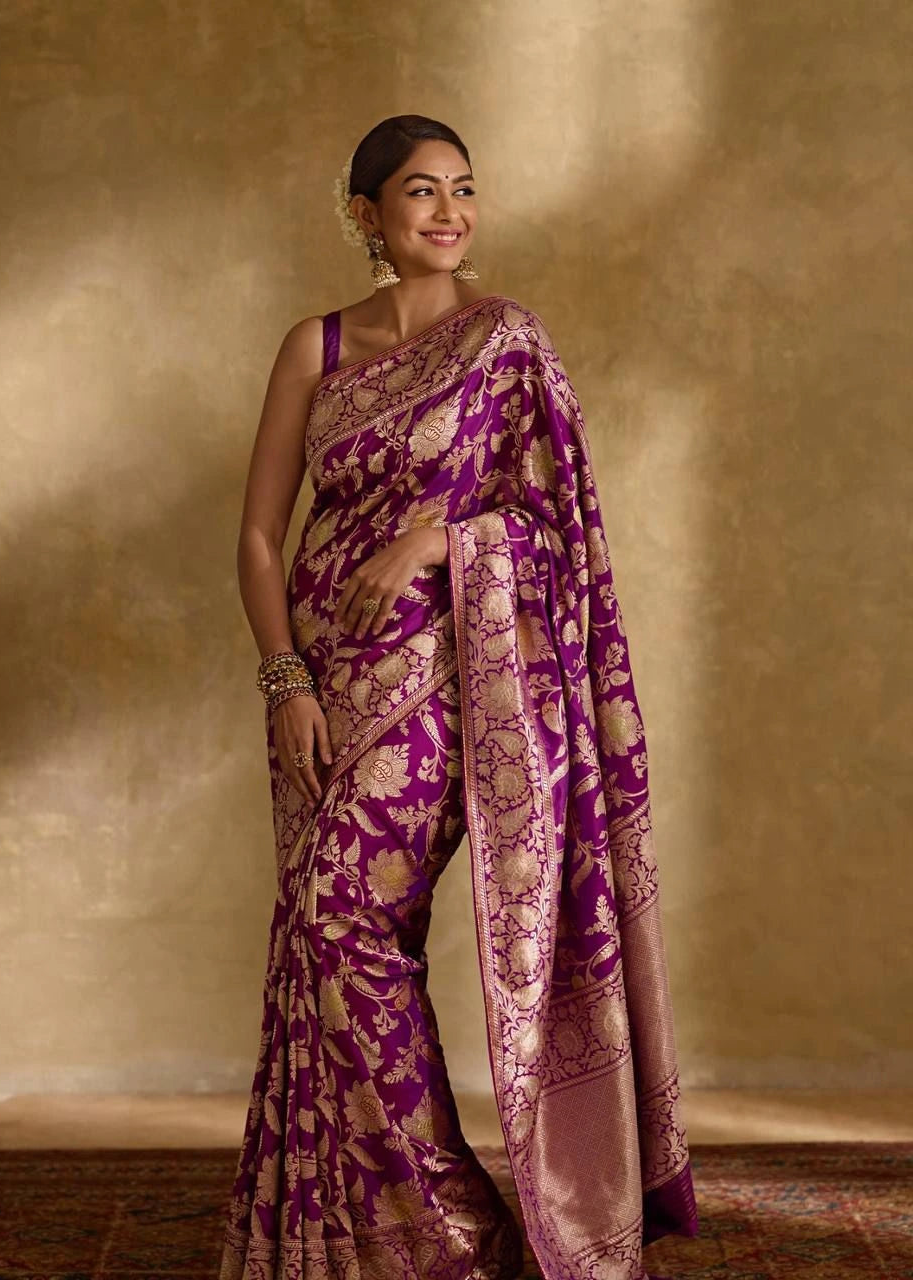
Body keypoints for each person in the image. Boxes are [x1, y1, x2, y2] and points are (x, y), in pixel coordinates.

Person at [220, 114, 698, 1280]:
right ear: (366, 215)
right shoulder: (316, 347)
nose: (448, 211)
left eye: (464, 190)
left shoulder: (506, 342)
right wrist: (284, 677)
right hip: (324, 680)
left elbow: (566, 525)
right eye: (421, 191)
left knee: (345, 915)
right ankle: (365, 1234)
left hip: (448, 678)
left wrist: (447, 535)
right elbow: (257, 535)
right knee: (328, 938)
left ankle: (454, 1225)